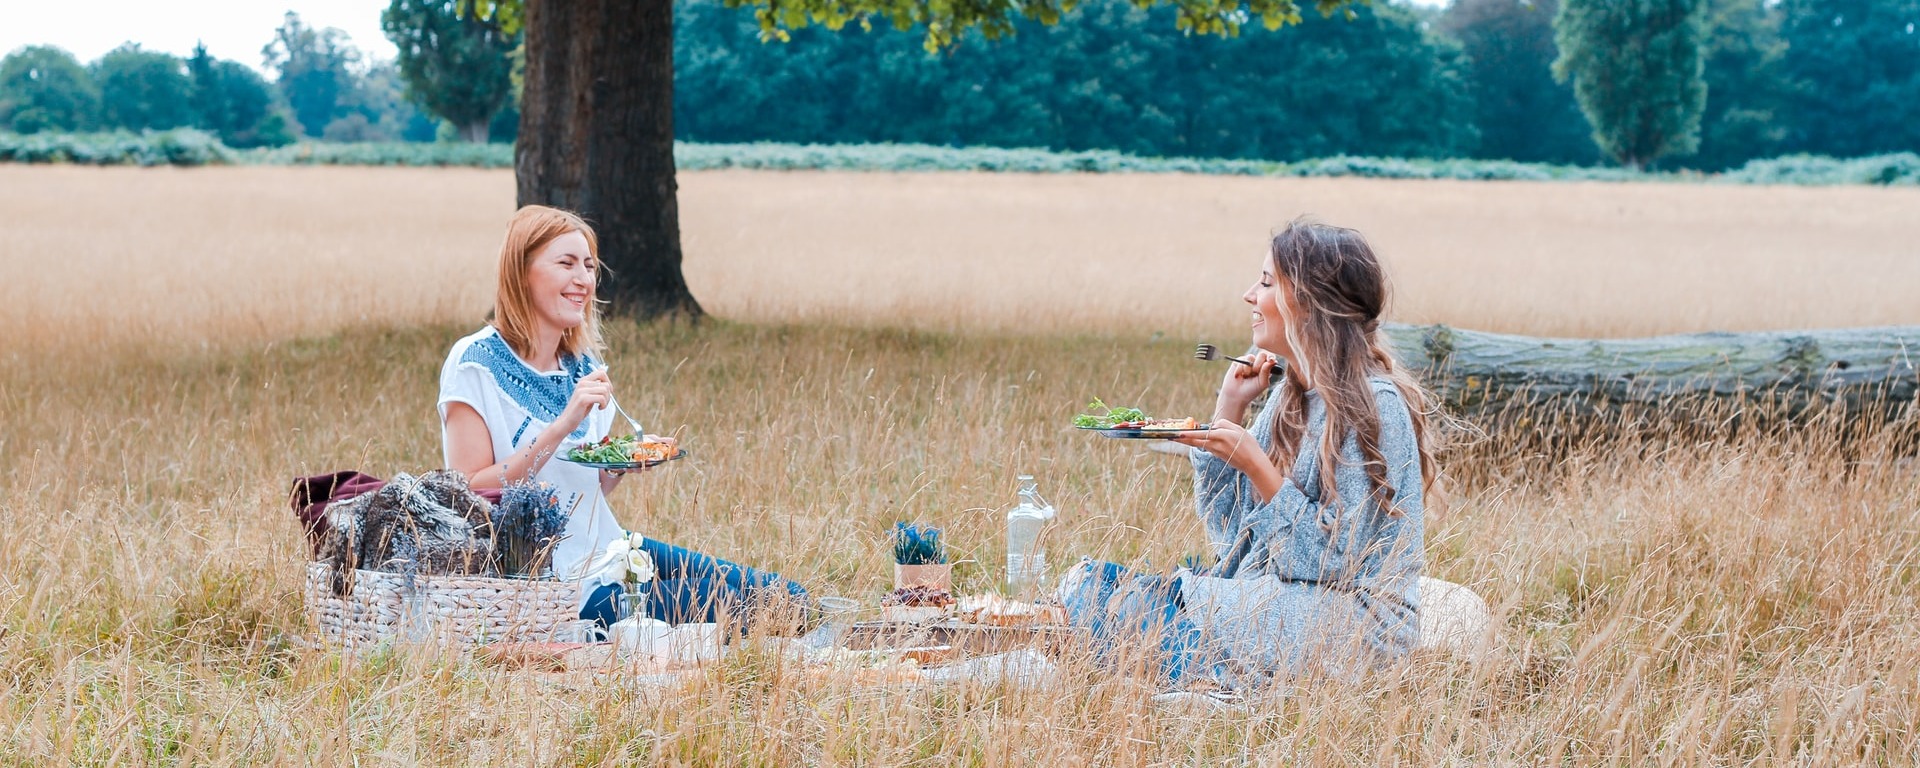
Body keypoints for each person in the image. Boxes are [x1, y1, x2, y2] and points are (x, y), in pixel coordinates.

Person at [1058, 218, 1444, 691]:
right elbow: (1229, 536)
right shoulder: (1291, 397)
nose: (1249, 295)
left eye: (1265, 283)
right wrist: (1231, 407)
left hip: (1353, 623)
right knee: (1089, 582)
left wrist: (1257, 467)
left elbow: (1334, 564)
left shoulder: (1375, 406)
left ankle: (1214, 684)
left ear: (1307, 303)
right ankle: (1189, 671)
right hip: (1281, 599)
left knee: (1130, 609)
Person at [439, 204, 808, 633]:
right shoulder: (474, 363)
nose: (583, 279)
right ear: (521, 272)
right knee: (761, 609)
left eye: (589, 266)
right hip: (552, 587)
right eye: (566, 263)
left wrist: (618, 464)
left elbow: (586, 493)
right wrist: (562, 424)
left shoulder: (583, 366)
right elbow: (467, 492)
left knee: (788, 599)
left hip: (610, 552)